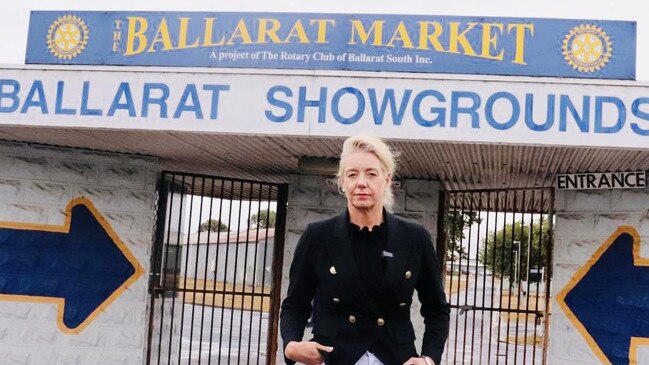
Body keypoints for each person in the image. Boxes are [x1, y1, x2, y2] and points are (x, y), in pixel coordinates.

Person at [280, 134, 450, 365]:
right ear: (342, 182)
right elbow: (295, 304)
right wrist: (291, 345)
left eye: (371, 173)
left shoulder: (414, 237)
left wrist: (429, 359)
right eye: (352, 174)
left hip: (396, 358)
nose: (361, 182)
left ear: (387, 180)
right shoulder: (318, 236)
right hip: (334, 356)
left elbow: (437, 309)